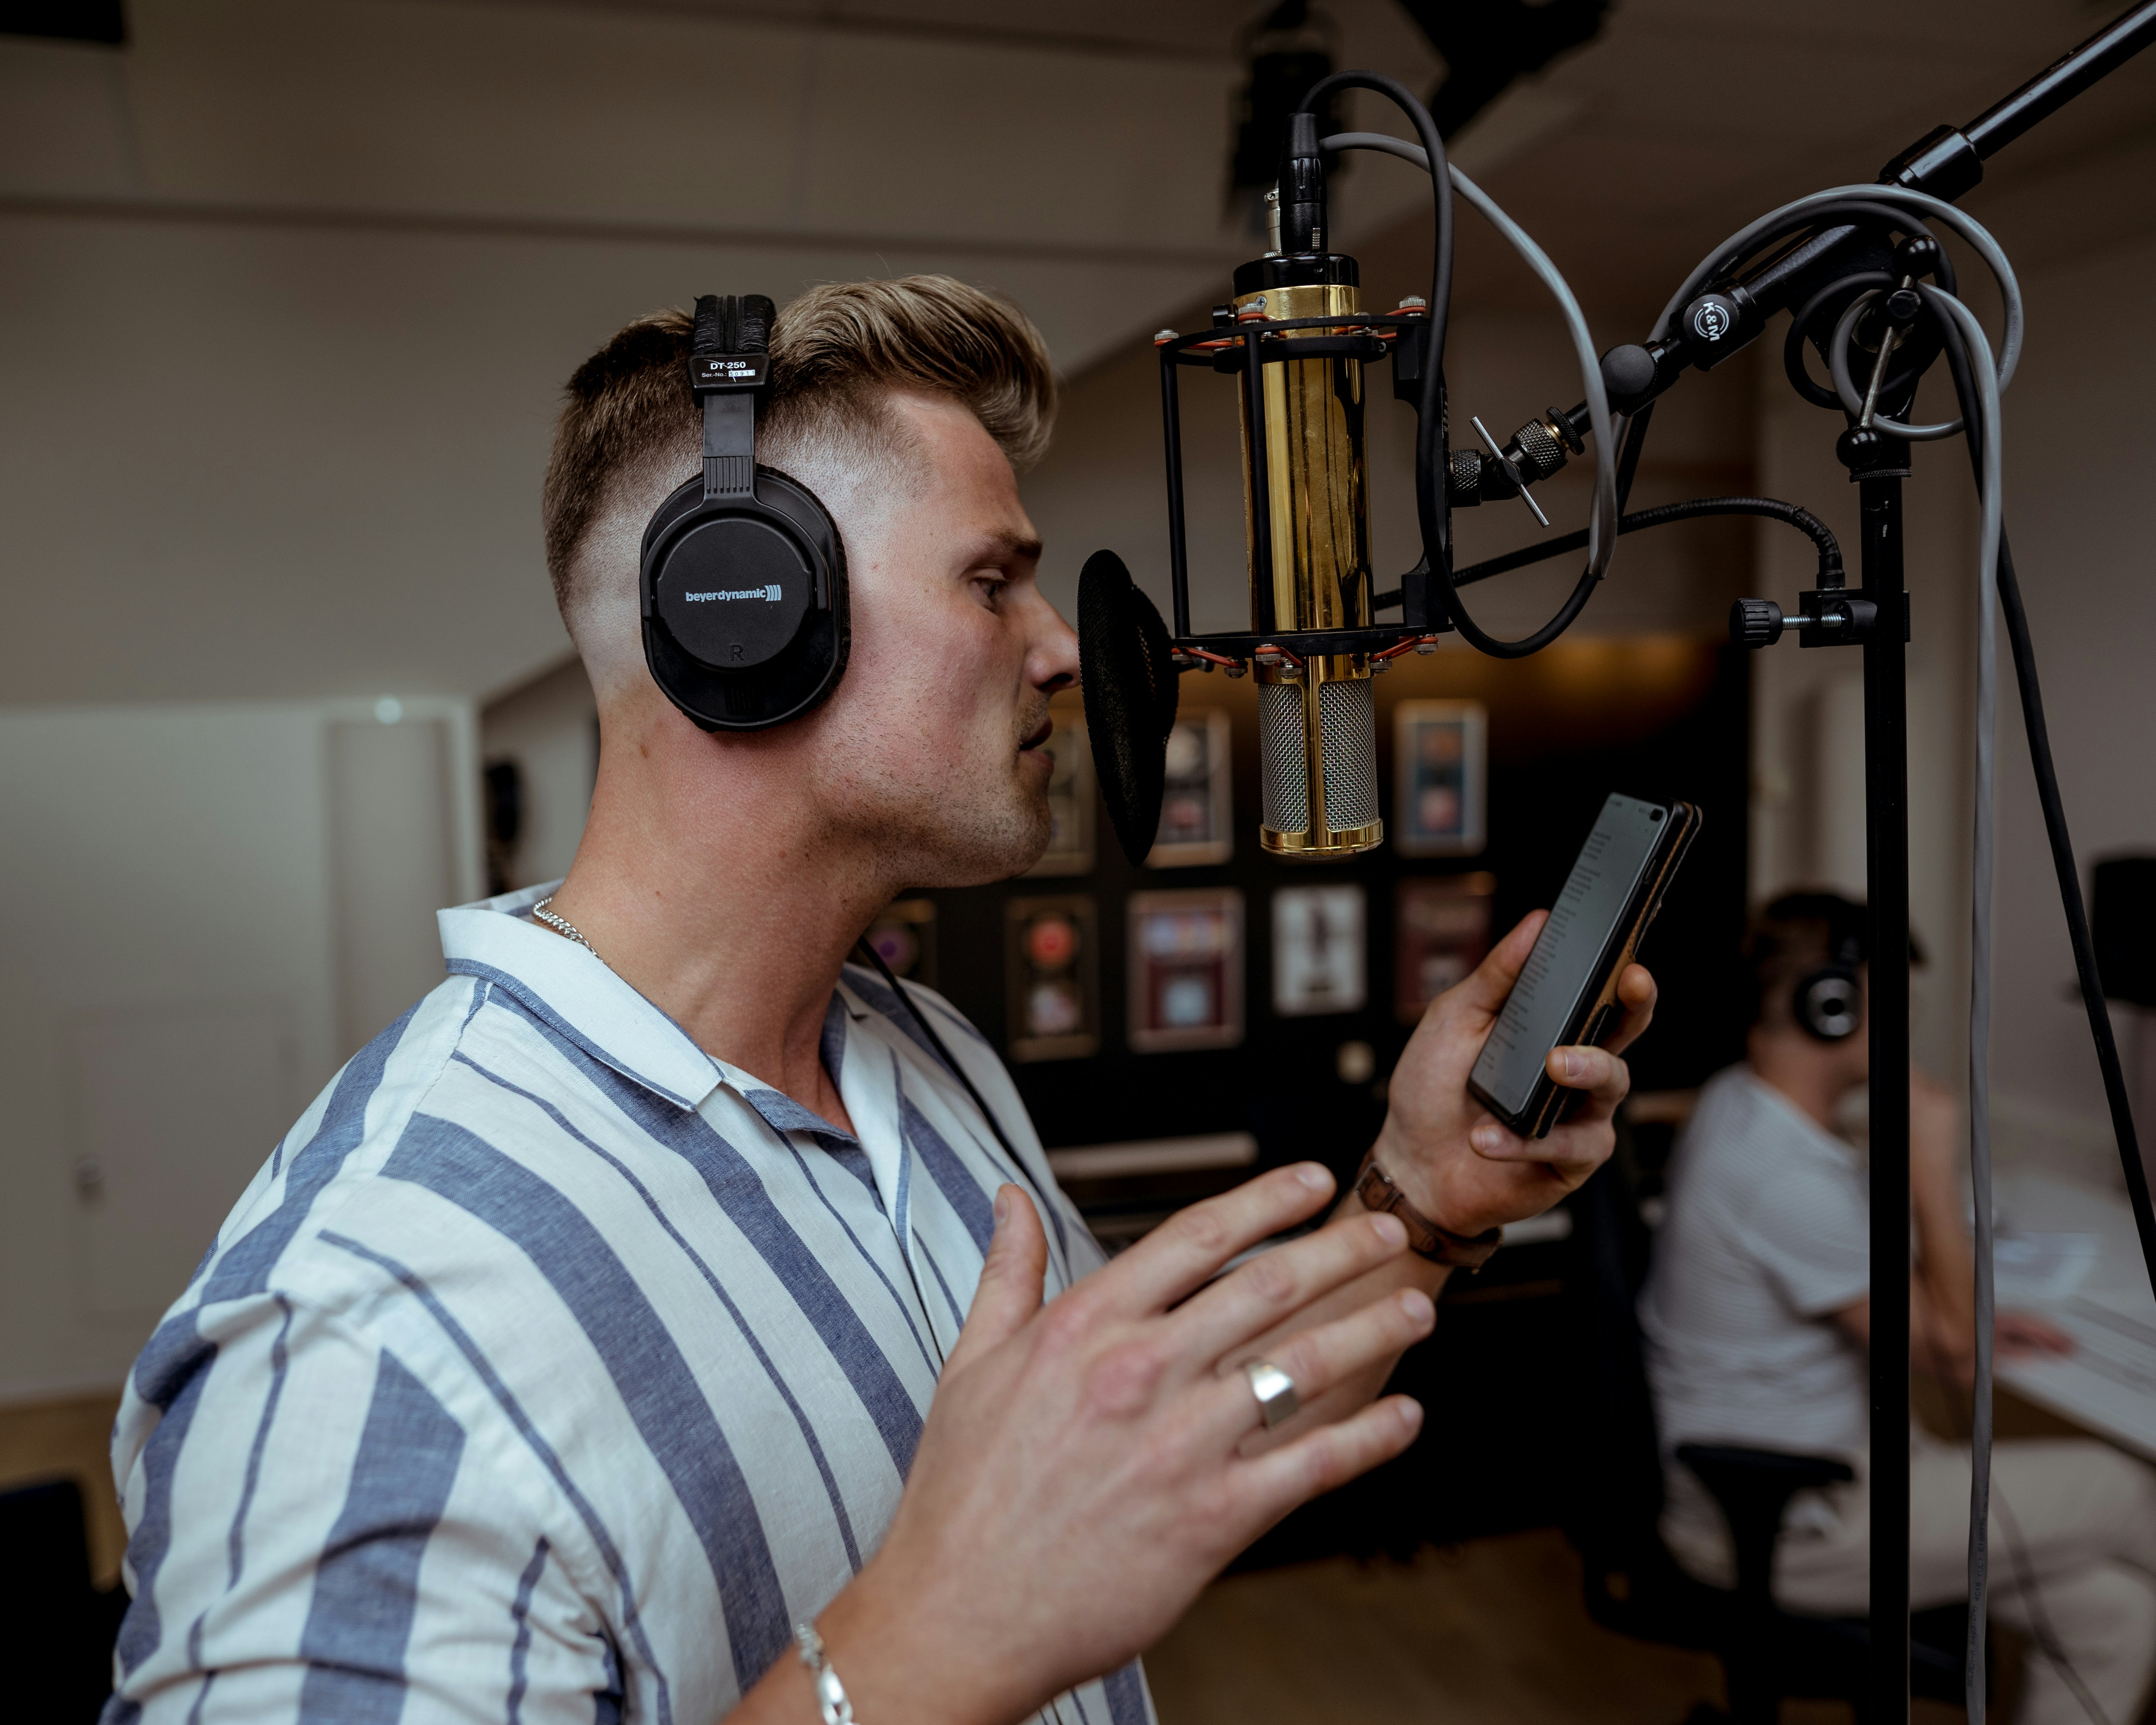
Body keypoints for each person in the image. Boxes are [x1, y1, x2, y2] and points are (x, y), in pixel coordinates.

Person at [102, 276, 1657, 1725]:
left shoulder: (921, 1057)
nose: (1060, 649)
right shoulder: (375, 1334)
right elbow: (990, 1587)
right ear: (744, 615)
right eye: (994, 581)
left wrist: (1429, 1196)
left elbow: (1168, 1440)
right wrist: (930, 1634)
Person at [1641, 890, 2156, 1724]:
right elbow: (1951, 1353)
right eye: (1897, 1002)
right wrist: (1931, 1173)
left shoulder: (1740, 1106)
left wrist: (1948, 1306)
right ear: (1833, 1008)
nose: (1907, 1025)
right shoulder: (1781, 1175)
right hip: (1793, 1522)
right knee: (2127, 1487)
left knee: (2115, 1616)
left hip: (1815, 1486)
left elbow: (1875, 1293)